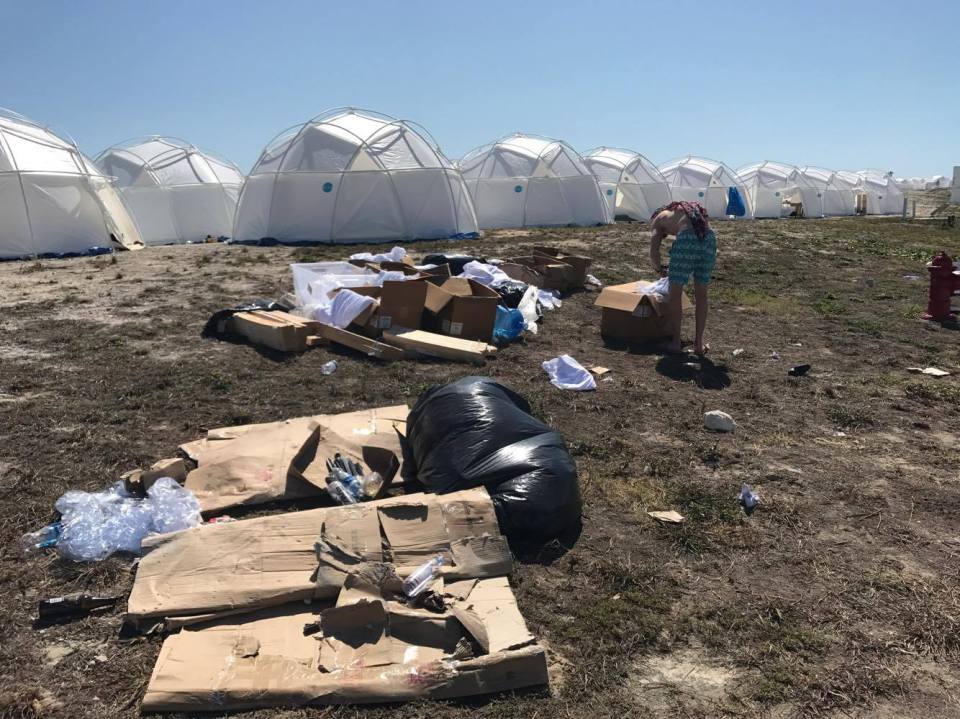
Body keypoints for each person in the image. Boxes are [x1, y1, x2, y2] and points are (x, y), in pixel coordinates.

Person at [649, 201, 716, 355]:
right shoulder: (685, 211)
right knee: (701, 294)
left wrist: (659, 268)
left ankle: (675, 342)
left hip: (687, 240)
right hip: (709, 238)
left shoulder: (658, 218)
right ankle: (698, 344)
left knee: (675, 293)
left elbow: (654, 251)